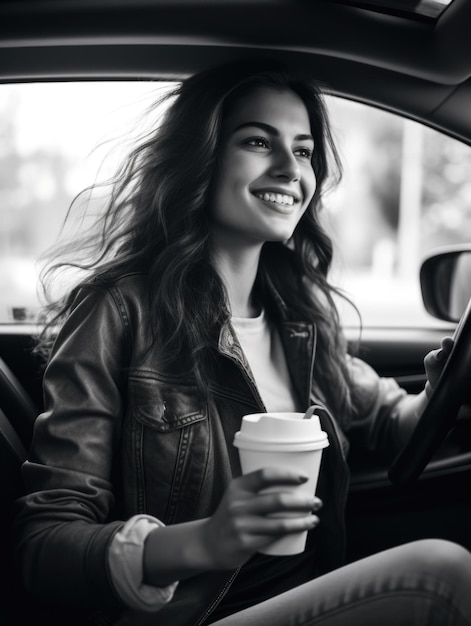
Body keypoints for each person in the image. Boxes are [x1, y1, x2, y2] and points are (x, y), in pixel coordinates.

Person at [12, 58, 471, 626]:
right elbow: (44, 546)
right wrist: (204, 541)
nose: (290, 169)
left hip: (307, 591)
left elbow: (387, 420)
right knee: (441, 576)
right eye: (259, 141)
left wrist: (442, 389)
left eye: (303, 151)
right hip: (200, 616)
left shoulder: (302, 316)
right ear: (202, 157)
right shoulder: (118, 310)